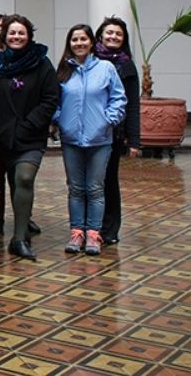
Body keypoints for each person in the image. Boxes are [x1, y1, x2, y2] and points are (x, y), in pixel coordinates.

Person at [0, 15, 59, 260]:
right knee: (10, 182)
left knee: (24, 178)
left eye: (21, 33)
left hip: (31, 135)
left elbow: (50, 98)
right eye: (12, 33)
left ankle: (18, 238)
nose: (16, 37)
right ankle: (21, 231)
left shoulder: (42, 63)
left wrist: (30, 124)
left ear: (29, 36)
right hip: (1, 136)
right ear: (4, 36)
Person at [55, 24, 127, 256]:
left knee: (95, 188)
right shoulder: (64, 69)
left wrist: (108, 120)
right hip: (71, 140)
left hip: (100, 140)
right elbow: (55, 100)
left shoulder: (106, 68)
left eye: (83, 39)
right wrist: (59, 120)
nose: (79, 43)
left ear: (92, 42)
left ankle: (94, 234)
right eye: (74, 39)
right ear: (70, 43)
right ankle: (77, 232)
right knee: (75, 188)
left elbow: (118, 98)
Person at [94, 17, 141, 245]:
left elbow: (132, 105)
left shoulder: (127, 66)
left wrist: (134, 140)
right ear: (100, 36)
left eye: (118, 34)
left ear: (124, 39)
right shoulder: (89, 60)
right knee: (89, 182)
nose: (113, 37)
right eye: (109, 32)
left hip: (114, 133)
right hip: (88, 132)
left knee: (108, 180)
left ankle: (110, 228)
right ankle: (89, 226)